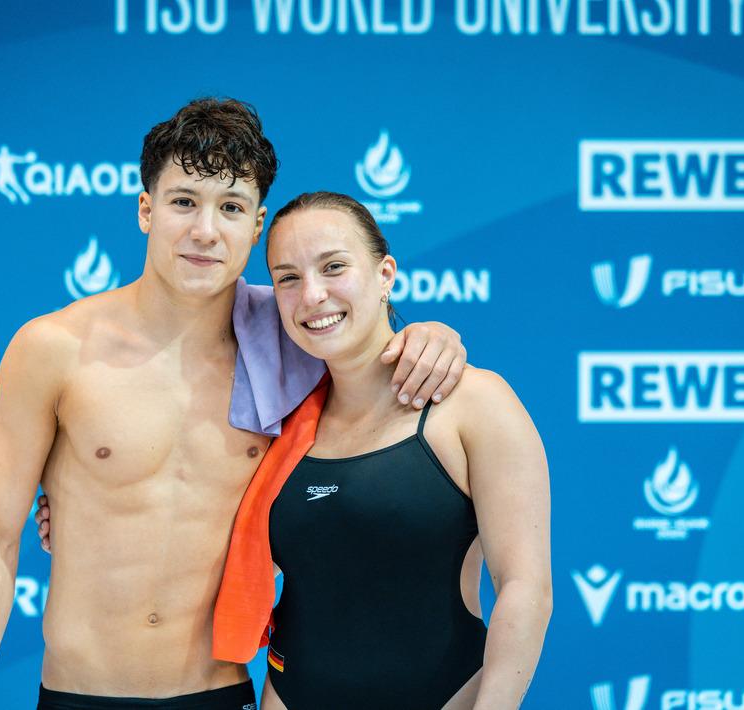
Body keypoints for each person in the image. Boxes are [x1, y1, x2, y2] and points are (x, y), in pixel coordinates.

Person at [0, 99, 468, 710]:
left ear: (256, 225)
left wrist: (431, 334)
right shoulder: (55, 349)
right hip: (78, 693)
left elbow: (372, 339)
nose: (205, 231)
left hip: (219, 693)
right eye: (183, 201)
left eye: (231, 209)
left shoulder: (296, 341)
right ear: (146, 209)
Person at [226, 191, 552, 709]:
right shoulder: (275, 420)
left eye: (334, 267)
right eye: (288, 277)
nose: (312, 294)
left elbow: (524, 588)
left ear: (385, 274)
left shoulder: (473, 403)